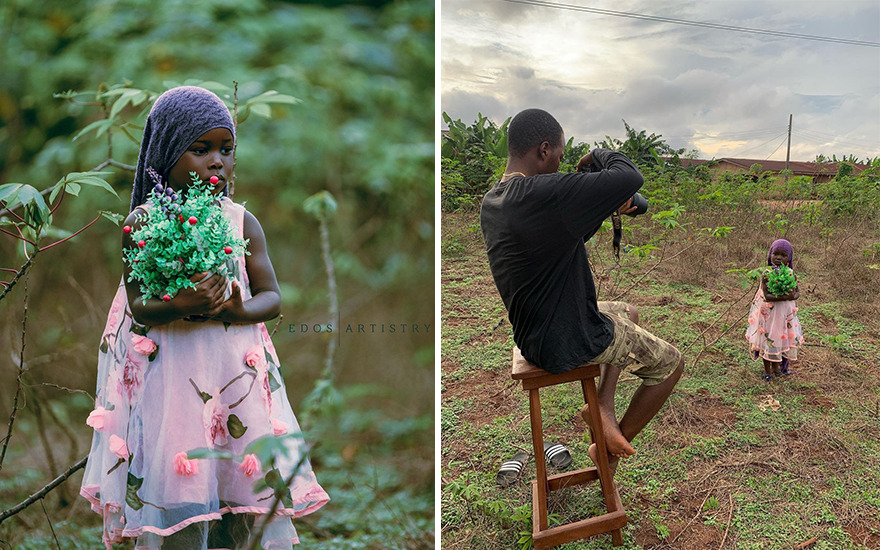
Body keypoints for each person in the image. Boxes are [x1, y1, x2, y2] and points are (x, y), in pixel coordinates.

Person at [80, 86, 329, 549]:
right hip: (173, 382)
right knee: (179, 490)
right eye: (201, 149)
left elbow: (272, 297)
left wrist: (237, 309)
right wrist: (182, 303)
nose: (218, 161)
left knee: (238, 491)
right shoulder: (143, 223)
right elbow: (138, 306)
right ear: (166, 154)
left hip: (234, 380)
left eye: (226, 149)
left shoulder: (240, 222)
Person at [480, 108, 683, 475]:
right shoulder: (540, 194)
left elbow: (559, 239)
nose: (561, 165)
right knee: (670, 365)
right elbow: (629, 176)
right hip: (566, 338)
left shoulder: (497, 199)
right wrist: (597, 156)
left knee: (629, 311)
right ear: (544, 149)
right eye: (559, 155)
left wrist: (596, 206)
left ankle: (602, 407)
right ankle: (608, 453)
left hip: (533, 332)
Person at [746, 238, 803, 381]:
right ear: (770, 254)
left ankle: (778, 368)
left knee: (781, 338)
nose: (778, 258)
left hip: (784, 314)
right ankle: (767, 371)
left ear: (789, 258)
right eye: (775, 254)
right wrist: (787, 296)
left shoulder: (790, 273)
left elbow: (797, 292)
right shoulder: (767, 274)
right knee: (768, 338)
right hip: (769, 313)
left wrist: (792, 295)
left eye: (783, 255)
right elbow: (768, 296)